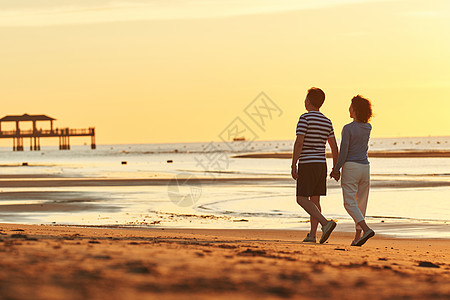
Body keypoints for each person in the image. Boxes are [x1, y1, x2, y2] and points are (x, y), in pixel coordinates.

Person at [291, 87, 339, 244]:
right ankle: (312, 235)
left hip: (307, 163)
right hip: (321, 164)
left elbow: (299, 143)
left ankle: (326, 224)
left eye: (305, 98)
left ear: (309, 101)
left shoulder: (304, 118)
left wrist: (293, 164)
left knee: (301, 198)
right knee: (315, 200)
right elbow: (334, 147)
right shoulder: (327, 121)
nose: (304, 101)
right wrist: (335, 168)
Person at [330, 95, 375, 246]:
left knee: (349, 203)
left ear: (355, 110)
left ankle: (365, 229)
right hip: (365, 167)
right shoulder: (368, 127)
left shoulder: (348, 128)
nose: (348, 109)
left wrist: (336, 169)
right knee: (361, 203)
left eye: (350, 106)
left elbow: (344, 152)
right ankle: (357, 237)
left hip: (351, 167)